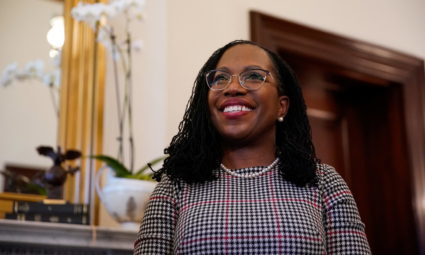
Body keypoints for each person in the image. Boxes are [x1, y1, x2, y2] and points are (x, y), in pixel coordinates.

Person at [133, 40, 371, 254]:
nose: (232, 87)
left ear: (282, 106)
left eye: (254, 76)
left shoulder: (324, 182)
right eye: (220, 78)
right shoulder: (175, 185)